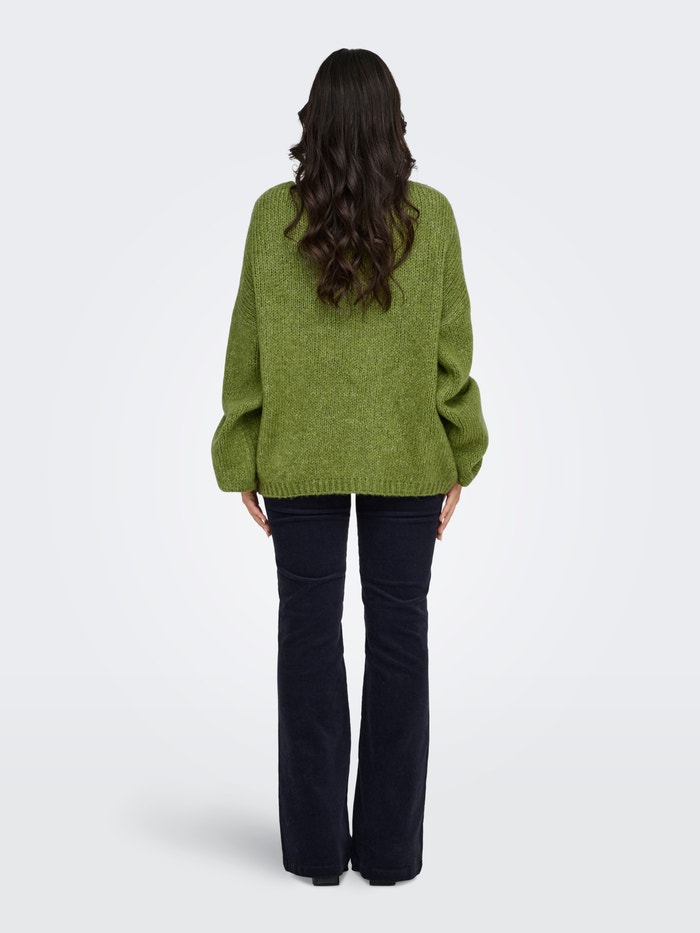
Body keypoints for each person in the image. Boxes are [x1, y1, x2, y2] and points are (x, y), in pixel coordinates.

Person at [210, 47, 489, 887]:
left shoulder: (275, 216)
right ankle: (392, 853)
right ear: (392, 124)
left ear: (315, 123)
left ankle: (313, 851)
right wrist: (461, 451)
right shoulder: (430, 218)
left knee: (307, 633)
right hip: (408, 457)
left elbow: (247, 347)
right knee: (400, 639)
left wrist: (243, 446)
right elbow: (452, 355)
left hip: (299, 455)